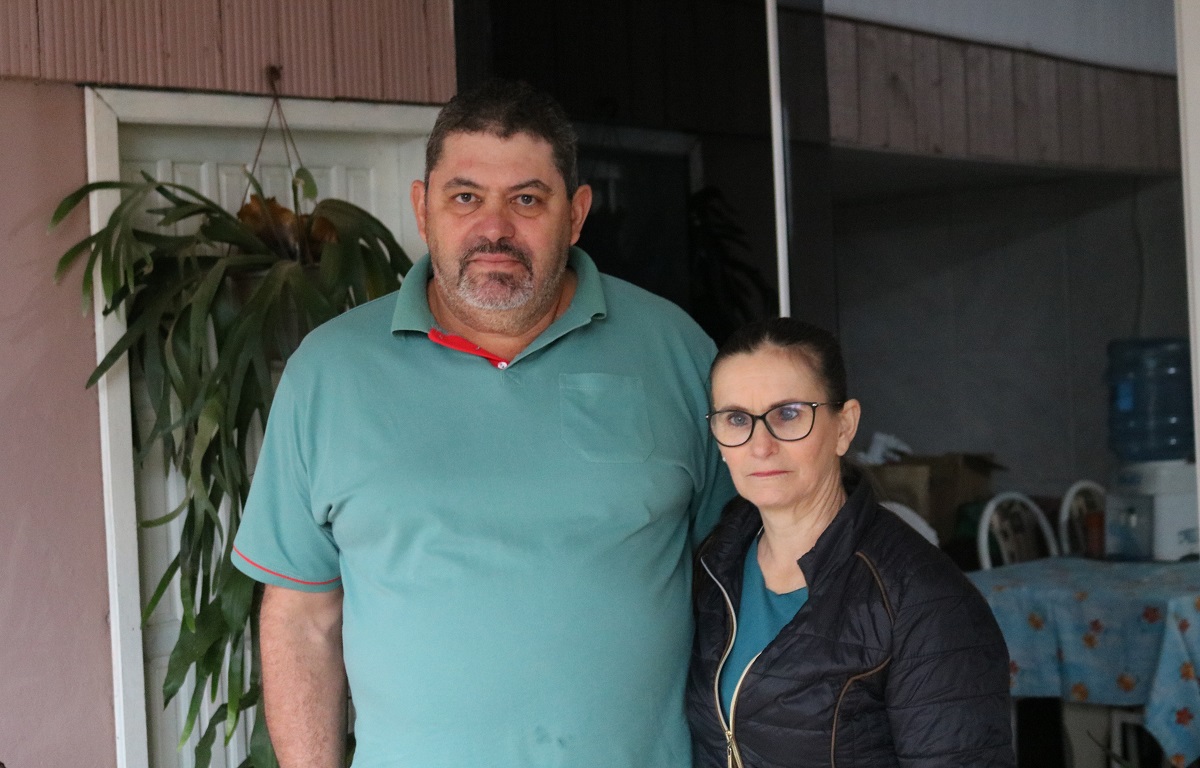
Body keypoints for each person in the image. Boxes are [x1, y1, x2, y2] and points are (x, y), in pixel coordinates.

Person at [230, 79, 733, 767]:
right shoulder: (330, 373)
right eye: (465, 197)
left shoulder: (677, 351)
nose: (494, 228)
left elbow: (739, 580)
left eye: (527, 199)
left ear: (577, 214)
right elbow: (301, 618)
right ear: (423, 208)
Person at [686, 317, 1014, 768]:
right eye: (737, 419)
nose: (760, 446)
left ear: (844, 426)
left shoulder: (923, 600)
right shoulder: (713, 565)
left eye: (788, 414)